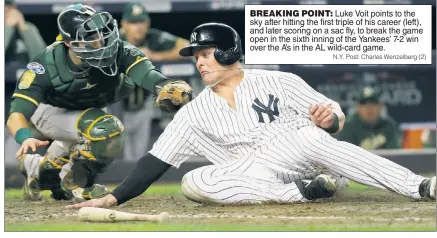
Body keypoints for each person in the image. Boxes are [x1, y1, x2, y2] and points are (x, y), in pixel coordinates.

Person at [67, 22, 435, 209]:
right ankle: (301, 195)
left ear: (228, 53)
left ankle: (418, 186)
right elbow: (154, 161)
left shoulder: (278, 79)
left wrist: (331, 118)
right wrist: (114, 199)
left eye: (205, 53)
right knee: (194, 182)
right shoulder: (194, 112)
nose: (198, 61)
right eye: (195, 56)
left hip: (303, 153)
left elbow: (333, 114)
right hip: (259, 175)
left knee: (309, 135)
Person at [7, 4, 192, 201]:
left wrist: (165, 86)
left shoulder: (121, 50)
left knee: (58, 163)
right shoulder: (46, 65)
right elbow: (16, 114)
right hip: (52, 111)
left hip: (88, 111)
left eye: (102, 32)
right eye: (91, 37)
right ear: (70, 43)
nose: (101, 40)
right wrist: (25, 136)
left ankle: (36, 170)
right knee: (106, 131)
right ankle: (77, 185)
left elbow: (148, 75)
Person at [117, 2, 191, 161]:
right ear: (124, 24)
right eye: (133, 22)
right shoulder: (115, 39)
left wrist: (155, 57)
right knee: (115, 157)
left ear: (147, 23)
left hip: (142, 104)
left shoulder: (152, 37)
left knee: (137, 157)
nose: (138, 27)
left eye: (141, 22)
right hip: (115, 106)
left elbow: (186, 46)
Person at [336, 86, 402, 150]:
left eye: (373, 103)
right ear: (358, 107)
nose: (369, 108)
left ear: (381, 106)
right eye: (364, 104)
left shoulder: (390, 125)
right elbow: (345, 155)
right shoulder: (347, 126)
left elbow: (395, 154)